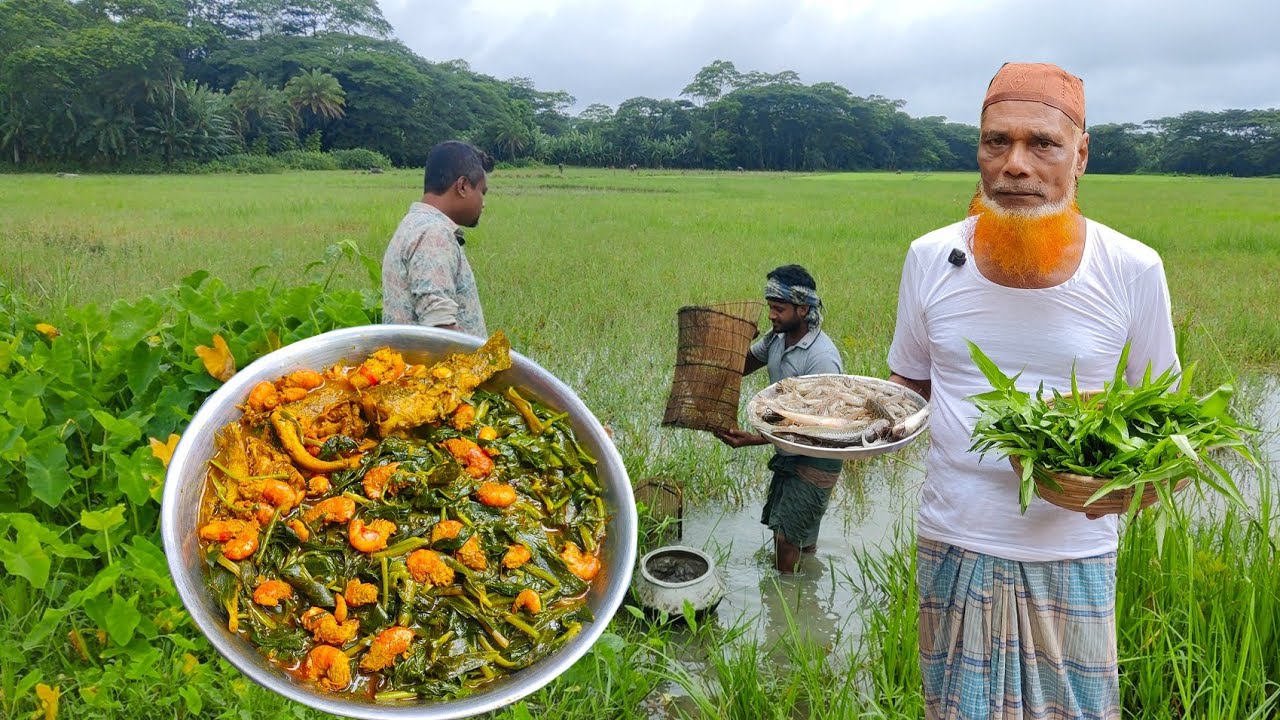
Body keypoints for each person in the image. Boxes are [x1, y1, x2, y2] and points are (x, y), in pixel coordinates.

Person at [886, 62, 1179, 719]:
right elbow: (906, 387)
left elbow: (1169, 427)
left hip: (1071, 551)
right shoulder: (930, 257)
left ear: (1081, 154)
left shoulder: (1130, 269)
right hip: (953, 539)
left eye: (1041, 143)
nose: (1014, 164)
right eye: (996, 142)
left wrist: (1139, 485)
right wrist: (830, 428)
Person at [715, 264, 844, 573]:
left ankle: (787, 605)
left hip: (818, 456)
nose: (771, 315)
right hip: (788, 450)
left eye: (779, 309)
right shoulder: (776, 339)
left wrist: (757, 438)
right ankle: (805, 583)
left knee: (786, 541)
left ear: (803, 309)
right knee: (796, 535)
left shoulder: (821, 357)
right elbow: (741, 367)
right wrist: (739, 339)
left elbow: (822, 425)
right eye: (770, 307)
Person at [382, 140, 495, 337]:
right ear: (462, 186)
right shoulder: (433, 234)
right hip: (442, 367)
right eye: (482, 192)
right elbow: (440, 328)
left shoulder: (416, 224)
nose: (483, 204)